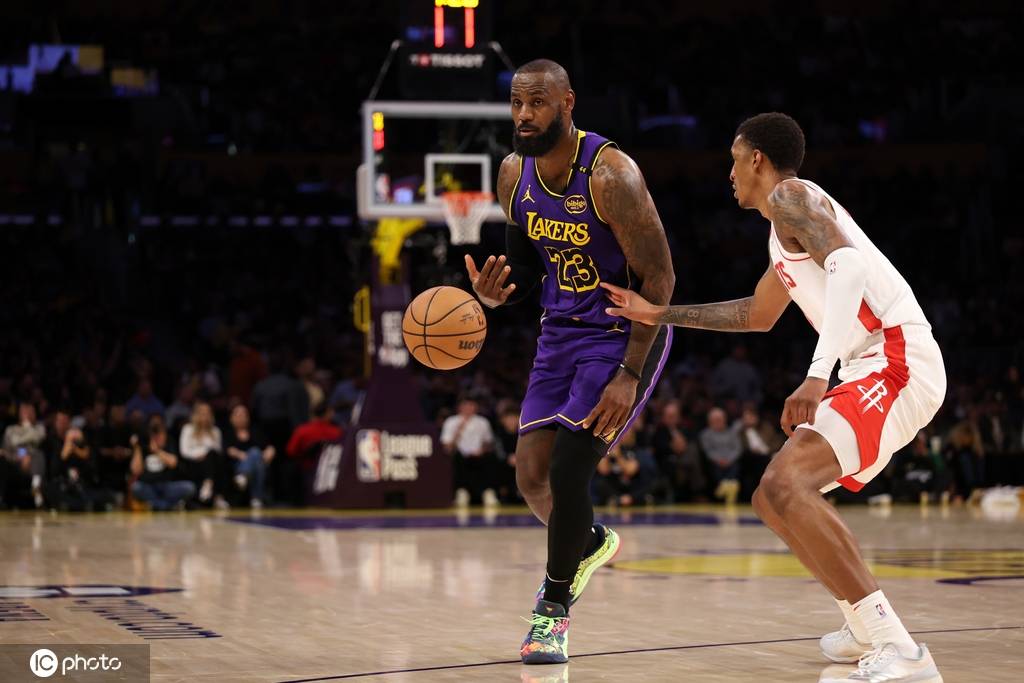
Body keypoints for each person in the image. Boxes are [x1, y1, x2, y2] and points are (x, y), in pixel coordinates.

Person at [602, 112, 946, 682]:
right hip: (872, 364)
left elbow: (849, 268)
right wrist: (658, 313)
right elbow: (757, 315)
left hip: (896, 358)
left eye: (734, 160)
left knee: (788, 484)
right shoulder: (782, 231)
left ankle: (900, 648)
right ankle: (863, 626)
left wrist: (817, 375)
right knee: (770, 498)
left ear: (757, 158)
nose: (730, 173)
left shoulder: (791, 196)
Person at [465, 59, 675, 664]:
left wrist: (629, 373)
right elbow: (528, 270)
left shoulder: (612, 175)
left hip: (622, 332)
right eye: (517, 104)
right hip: (559, 333)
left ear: (567, 103)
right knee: (529, 476)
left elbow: (660, 278)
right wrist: (497, 294)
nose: (524, 116)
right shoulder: (513, 173)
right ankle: (587, 542)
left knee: (566, 471)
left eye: (537, 103)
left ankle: (550, 616)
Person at [440, 397, 497, 507]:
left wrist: (482, 450)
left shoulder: (482, 422)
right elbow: (447, 447)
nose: (468, 408)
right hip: (459, 455)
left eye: (471, 405)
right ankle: (462, 492)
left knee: (491, 458)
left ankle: (488, 492)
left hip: (479, 455)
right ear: (459, 407)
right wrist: (458, 431)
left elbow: (489, 443)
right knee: (457, 460)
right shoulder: (451, 422)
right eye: (465, 405)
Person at [130, 422, 195, 511]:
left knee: (189, 487)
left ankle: (156, 505)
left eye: (162, 435)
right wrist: (137, 448)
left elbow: (173, 463)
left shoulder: (169, 443)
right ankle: (167, 506)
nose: (159, 438)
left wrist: (157, 451)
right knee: (136, 487)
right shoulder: (143, 446)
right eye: (156, 436)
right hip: (149, 487)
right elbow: (136, 470)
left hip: (167, 486)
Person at [224, 403, 275, 509]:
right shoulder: (228, 432)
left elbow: (268, 446)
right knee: (255, 454)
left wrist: (270, 451)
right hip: (236, 464)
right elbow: (227, 450)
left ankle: (243, 476)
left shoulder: (255, 431)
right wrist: (240, 454)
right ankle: (256, 498)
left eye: (244, 415)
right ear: (232, 417)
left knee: (255, 454)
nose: (241, 417)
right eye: (238, 415)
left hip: (258, 464)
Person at [178, 401, 224, 507]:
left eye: (208, 413)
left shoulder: (216, 431)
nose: (205, 416)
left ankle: (209, 484)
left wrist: (206, 454)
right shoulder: (188, 429)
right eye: (202, 413)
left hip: (211, 464)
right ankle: (213, 491)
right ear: (196, 414)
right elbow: (184, 451)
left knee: (213, 456)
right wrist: (199, 454)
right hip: (193, 463)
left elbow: (218, 451)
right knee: (209, 456)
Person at [698, 407, 743, 504]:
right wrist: (719, 460)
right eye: (716, 420)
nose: (718, 422)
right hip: (715, 462)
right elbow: (708, 451)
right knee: (714, 468)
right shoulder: (705, 434)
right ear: (710, 421)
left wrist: (729, 460)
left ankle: (727, 489)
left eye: (720, 419)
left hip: (731, 461)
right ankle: (727, 489)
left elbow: (737, 449)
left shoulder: (732, 433)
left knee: (735, 467)